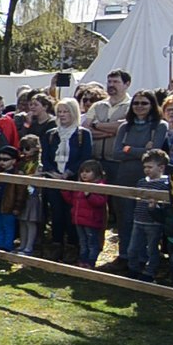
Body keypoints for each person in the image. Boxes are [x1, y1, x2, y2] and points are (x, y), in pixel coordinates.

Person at [109, 89, 167, 268]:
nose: (139, 107)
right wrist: (141, 149)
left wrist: (129, 149)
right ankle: (124, 255)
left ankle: (144, 260)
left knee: (146, 220)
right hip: (125, 177)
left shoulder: (160, 126)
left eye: (144, 103)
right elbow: (116, 153)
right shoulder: (124, 127)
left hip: (148, 179)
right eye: (136, 103)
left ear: (152, 105)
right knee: (125, 219)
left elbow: (154, 153)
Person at [41, 97, 93, 262]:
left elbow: (85, 157)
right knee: (56, 214)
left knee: (72, 214)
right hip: (54, 179)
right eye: (60, 112)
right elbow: (46, 157)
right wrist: (52, 172)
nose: (62, 115)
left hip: (73, 180)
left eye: (66, 112)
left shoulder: (82, 134)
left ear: (74, 113)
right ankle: (56, 244)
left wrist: (69, 172)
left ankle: (72, 246)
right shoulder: (51, 134)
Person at [127, 149, 171, 282]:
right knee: (132, 249)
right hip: (138, 220)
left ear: (161, 167)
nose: (147, 170)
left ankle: (150, 272)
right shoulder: (141, 182)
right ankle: (133, 269)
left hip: (154, 223)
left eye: (150, 167)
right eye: (145, 167)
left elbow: (166, 204)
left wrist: (156, 206)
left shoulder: (165, 184)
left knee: (152, 249)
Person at [63, 160, 108, 268]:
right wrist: (64, 191)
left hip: (91, 221)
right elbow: (72, 200)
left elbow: (100, 202)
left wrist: (89, 195)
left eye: (88, 171)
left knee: (92, 243)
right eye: (82, 171)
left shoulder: (100, 186)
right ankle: (82, 261)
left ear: (96, 173)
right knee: (83, 242)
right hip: (79, 219)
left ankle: (91, 262)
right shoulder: (79, 186)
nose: (84, 174)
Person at [15, 134, 43, 256]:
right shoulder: (21, 162)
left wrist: (26, 177)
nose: (24, 152)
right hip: (22, 194)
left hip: (33, 194)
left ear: (36, 148)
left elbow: (38, 176)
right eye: (22, 149)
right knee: (22, 220)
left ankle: (29, 246)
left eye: (27, 148)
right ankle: (22, 244)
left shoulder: (39, 163)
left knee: (30, 221)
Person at [0, 145, 24, 252]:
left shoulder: (18, 174)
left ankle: (7, 247)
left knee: (8, 227)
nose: (2, 162)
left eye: (5, 159)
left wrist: (17, 207)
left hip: (9, 207)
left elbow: (20, 194)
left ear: (14, 160)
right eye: (0, 159)